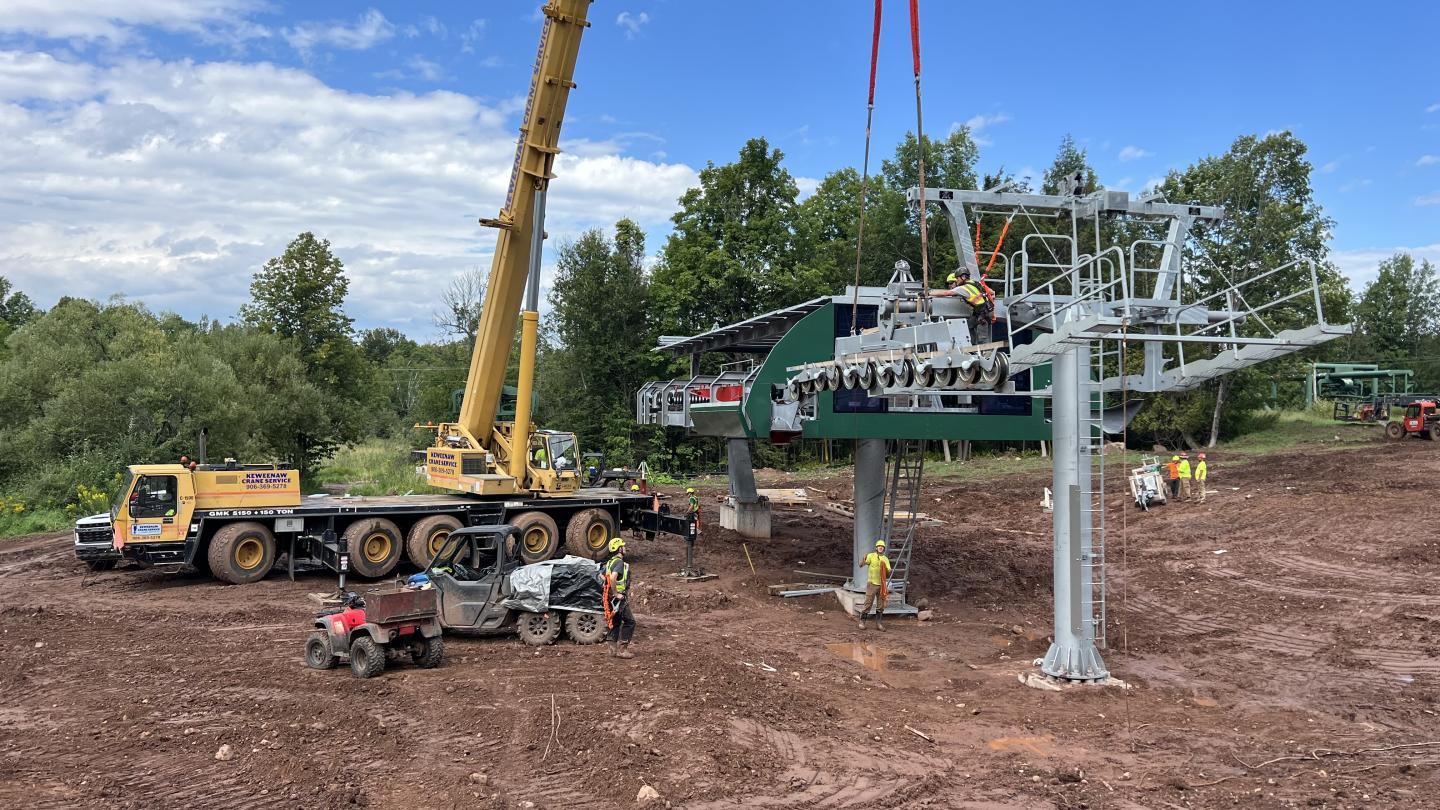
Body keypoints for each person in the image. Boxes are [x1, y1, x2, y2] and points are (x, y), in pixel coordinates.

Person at [602, 537, 636, 659]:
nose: (625, 548)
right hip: (618, 598)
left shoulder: (610, 562)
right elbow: (613, 577)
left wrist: (611, 591)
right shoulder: (619, 562)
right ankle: (623, 650)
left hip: (610, 598)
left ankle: (612, 649)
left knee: (615, 622)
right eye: (623, 546)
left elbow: (604, 576)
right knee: (630, 621)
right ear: (619, 549)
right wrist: (616, 593)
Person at [856, 540, 893, 631]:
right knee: (868, 603)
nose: (880, 547)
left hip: (882, 585)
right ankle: (862, 622)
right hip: (872, 584)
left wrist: (887, 570)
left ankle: (879, 623)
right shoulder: (871, 556)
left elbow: (888, 572)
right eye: (879, 546)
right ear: (876, 548)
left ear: (884, 549)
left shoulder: (885, 559)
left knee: (880, 605)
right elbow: (861, 564)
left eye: (882, 546)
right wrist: (863, 559)